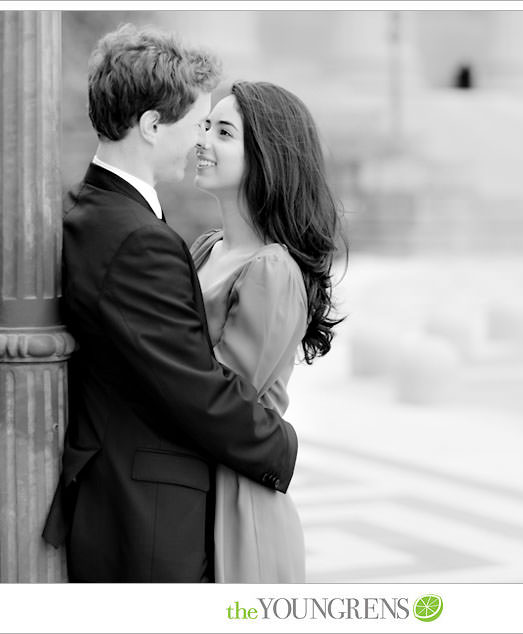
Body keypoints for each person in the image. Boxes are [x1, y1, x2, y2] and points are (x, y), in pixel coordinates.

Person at [41, 25, 298, 583]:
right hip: (150, 519)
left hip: (126, 501)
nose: (200, 138)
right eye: (198, 122)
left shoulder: (95, 211)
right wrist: (283, 446)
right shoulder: (138, 238)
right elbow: (191, 385)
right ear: (154, 125)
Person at [191, 81, 344, 582]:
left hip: (238, 503)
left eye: (223, 132)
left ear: (265, 157)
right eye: (205, 126)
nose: (203, 140)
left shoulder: (271, 268)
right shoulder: (206, 248)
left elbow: (221, 397)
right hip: (193, 482)